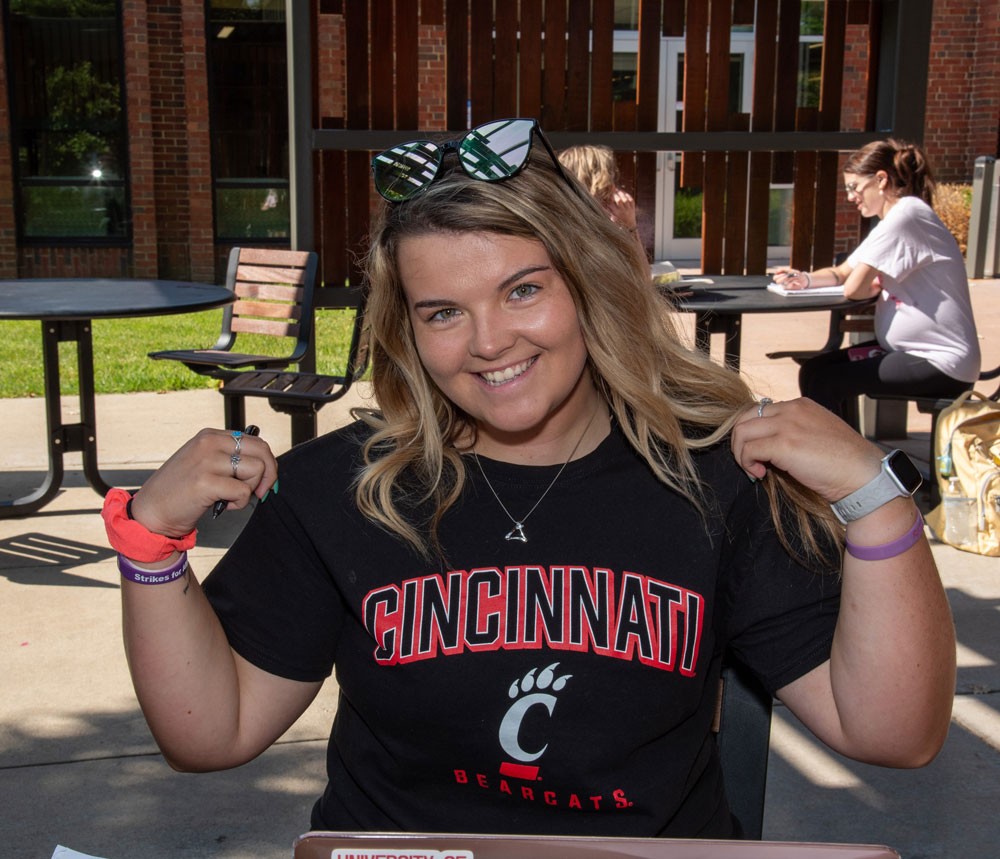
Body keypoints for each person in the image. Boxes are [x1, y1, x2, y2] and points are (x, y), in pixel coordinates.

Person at [104, 119, 955, 841]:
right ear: (406, 327)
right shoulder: (340, 489)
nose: (487, 340)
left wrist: (878, 503)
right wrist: (147, 544)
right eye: (443, 311)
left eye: (522, 290)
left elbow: (895, 732)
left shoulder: (716, 477)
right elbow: (211, 733)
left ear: (587, 283)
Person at [772, 138, 980, 422]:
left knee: (827, 381)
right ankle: (844, 455)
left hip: (940, 361)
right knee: (814, 371)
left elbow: (853, 288)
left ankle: (840, 459)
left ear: (881, 180)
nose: (850, 196)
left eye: (854, 187)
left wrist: (864, 280)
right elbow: (844, 272)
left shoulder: (906, 215)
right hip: (908, 351)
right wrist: (804, 279)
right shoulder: (897, 218)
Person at [558, 143, 646, 252]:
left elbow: (642, 269)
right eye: (607, 184)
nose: (614, 190)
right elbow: (640, 269)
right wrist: (630, 229)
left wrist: (630, 227)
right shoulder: (565, 234)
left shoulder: (601, 226)